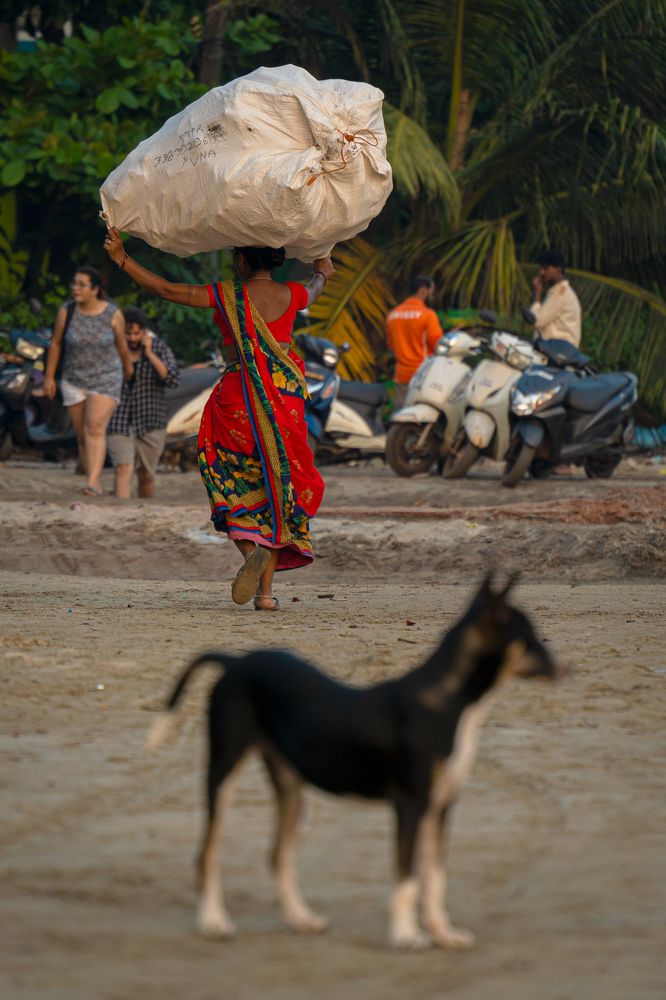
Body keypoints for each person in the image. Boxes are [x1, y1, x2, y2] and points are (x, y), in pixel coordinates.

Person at [103, 227, 334, 610]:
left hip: (238, 399)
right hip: (284, 403)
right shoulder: (291, 295)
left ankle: (250, 554)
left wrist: (123, 259)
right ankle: (265, 595)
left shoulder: (227, 295)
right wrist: (323, 269)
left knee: (224, 478)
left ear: (242, 260)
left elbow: (167, 290)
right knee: (274, 491)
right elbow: (313, 290)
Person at [44, 266, 133, 497]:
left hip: (106, 378)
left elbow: (122, 347)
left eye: (81, 285)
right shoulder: (68, 310)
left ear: (95, 289)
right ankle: (90, 476)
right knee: (83, 435)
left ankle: (93, 482)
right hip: (73, 379)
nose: (75, 288)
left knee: (94, 427)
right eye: (74, 284)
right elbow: (55, 344)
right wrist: (49, 376)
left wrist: (128, 369)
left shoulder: (113, 313)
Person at [107, 307, 180, 499]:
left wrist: (150, 354)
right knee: (123, 468)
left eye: (136, 333)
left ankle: (143, 511)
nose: (132, 338)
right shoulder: (112, 349)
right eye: (128, 333)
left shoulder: (159, 347)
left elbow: (172, 378)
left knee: (146, 476)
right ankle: (120, 513)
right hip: (117, 419)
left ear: (144, 332)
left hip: (151, 422)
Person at [385, 275, 444, 408]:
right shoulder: (428, 315)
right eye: (431, 293)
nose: (432, 297)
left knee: (399, 416)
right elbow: (437, 344)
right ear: (423, 291)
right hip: (422, 375)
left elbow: (391, 345)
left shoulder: (393, 315)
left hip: (401, 376)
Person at [530, 249, 582, 347]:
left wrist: (537, 294)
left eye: (545, 268)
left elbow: (537, 321)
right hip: (552, 350)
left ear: (558, 269)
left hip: (557, 354)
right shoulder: (557, 291)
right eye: (540, 268)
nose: (541, 272)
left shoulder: (562, 293)